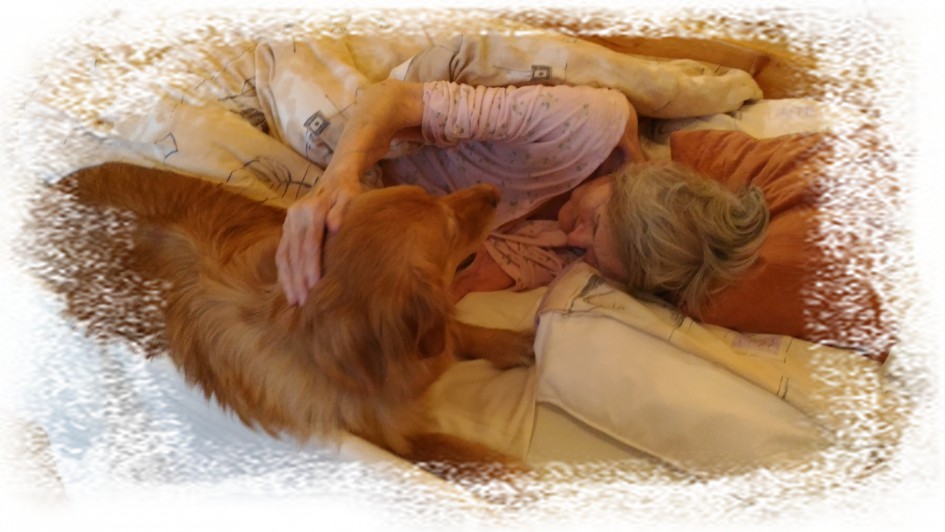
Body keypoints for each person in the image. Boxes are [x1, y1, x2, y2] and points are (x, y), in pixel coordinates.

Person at [276, 79, 768, 314]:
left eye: (593, 255)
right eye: (594, 223)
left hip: (385, 210)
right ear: (630, 175)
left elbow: (458, 282)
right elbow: (392, 98)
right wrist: (339, 178)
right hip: (367, 135)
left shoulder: (574, 256)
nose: (572, 238)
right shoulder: (583, 121)